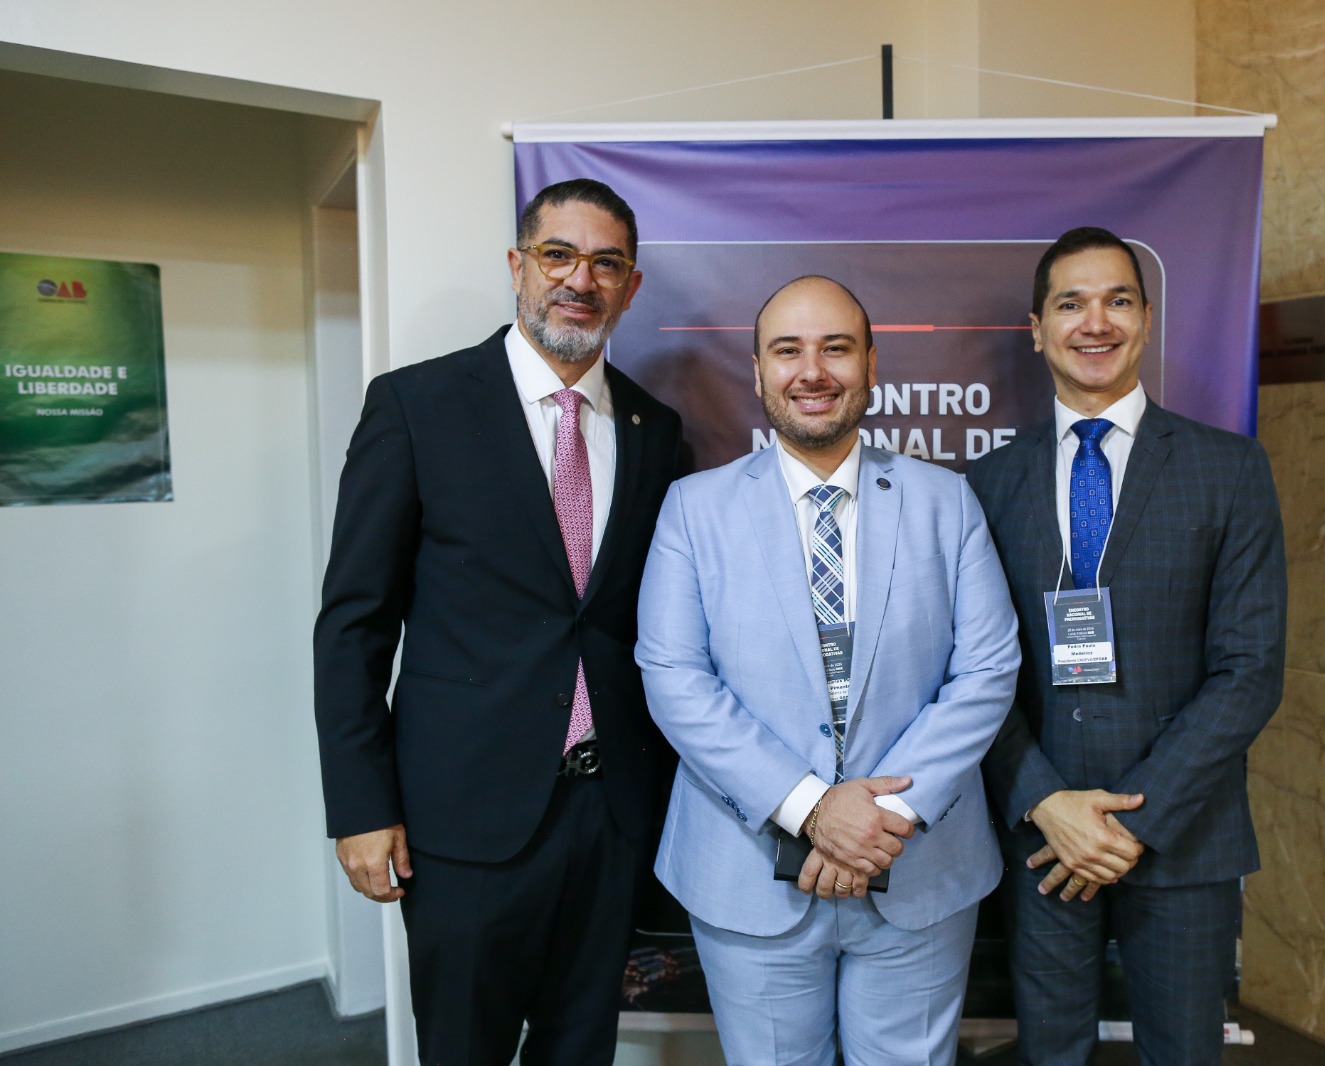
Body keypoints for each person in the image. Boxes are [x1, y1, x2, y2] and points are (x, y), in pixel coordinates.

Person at [313, 178, 682, 1065]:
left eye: (606, 264)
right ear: (518, 266)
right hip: (464, 821)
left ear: (631, 287)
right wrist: (360, 808)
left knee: (580, 1049)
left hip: (610, 816)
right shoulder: (416, 406)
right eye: (558, 255)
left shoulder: (656, 429)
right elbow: (354, 625)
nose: (580, 280)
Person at [635, 275, 1020, 1066]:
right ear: (757, 372)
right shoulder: (692, 510)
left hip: (917, 866)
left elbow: (987, 670)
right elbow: (674, 677)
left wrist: (880, 822)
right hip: (749, 875)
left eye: (836, 348)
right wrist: (812, 810)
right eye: (788, 351)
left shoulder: (946, 502)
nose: (812, 371)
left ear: (871, 364)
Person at [967, 227, 1287, 1066]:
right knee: (1050, 1052)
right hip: (1043, 836)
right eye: (1070, 303)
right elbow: (971, 671)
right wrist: (1045, 801)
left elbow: (1250, 670)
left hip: (1185, 833)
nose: (1095, 322)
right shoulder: (987, 483)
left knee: (1184, 1052)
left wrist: (1130, 823)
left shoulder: (1230, 469)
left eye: (1117, 301)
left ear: (1146, 319)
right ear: (1037, 328)